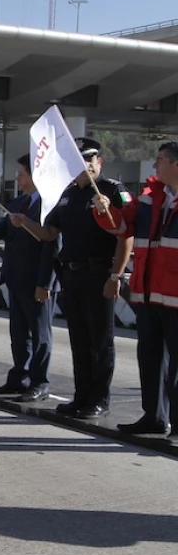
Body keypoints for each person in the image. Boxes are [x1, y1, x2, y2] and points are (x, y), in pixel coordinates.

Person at [10, 137, 133, 419]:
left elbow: (126, 234)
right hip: (73, 275)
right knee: (79, 339)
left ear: (98, 162)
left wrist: (116, 274)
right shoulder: (66, 196)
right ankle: (81, 396)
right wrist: (26, 223)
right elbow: (49, 234)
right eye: (79, 162)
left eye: (90, 161)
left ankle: (99, 399)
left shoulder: (112, 191)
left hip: (100, 273)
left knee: (100, 340)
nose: (86, 167)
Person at [93, 143, 178, 435]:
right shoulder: (148, 199)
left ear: (176, 164)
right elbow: (121, 227)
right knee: (150, 360)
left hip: (175, 298)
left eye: (160, 160)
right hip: (149, 295)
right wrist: (104, 210)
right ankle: (153, 417)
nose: (155, 166)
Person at [0, 154, 60, 402]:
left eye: (21, 173)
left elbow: (52, 247)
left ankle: (38, 382)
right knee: (19, 334)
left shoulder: (49, 206)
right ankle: (18, 378)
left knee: (40, 335)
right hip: (15, 277)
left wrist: (45, 283)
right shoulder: (17, 203)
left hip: (36, 280)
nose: (17, 178)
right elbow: (3, 230)